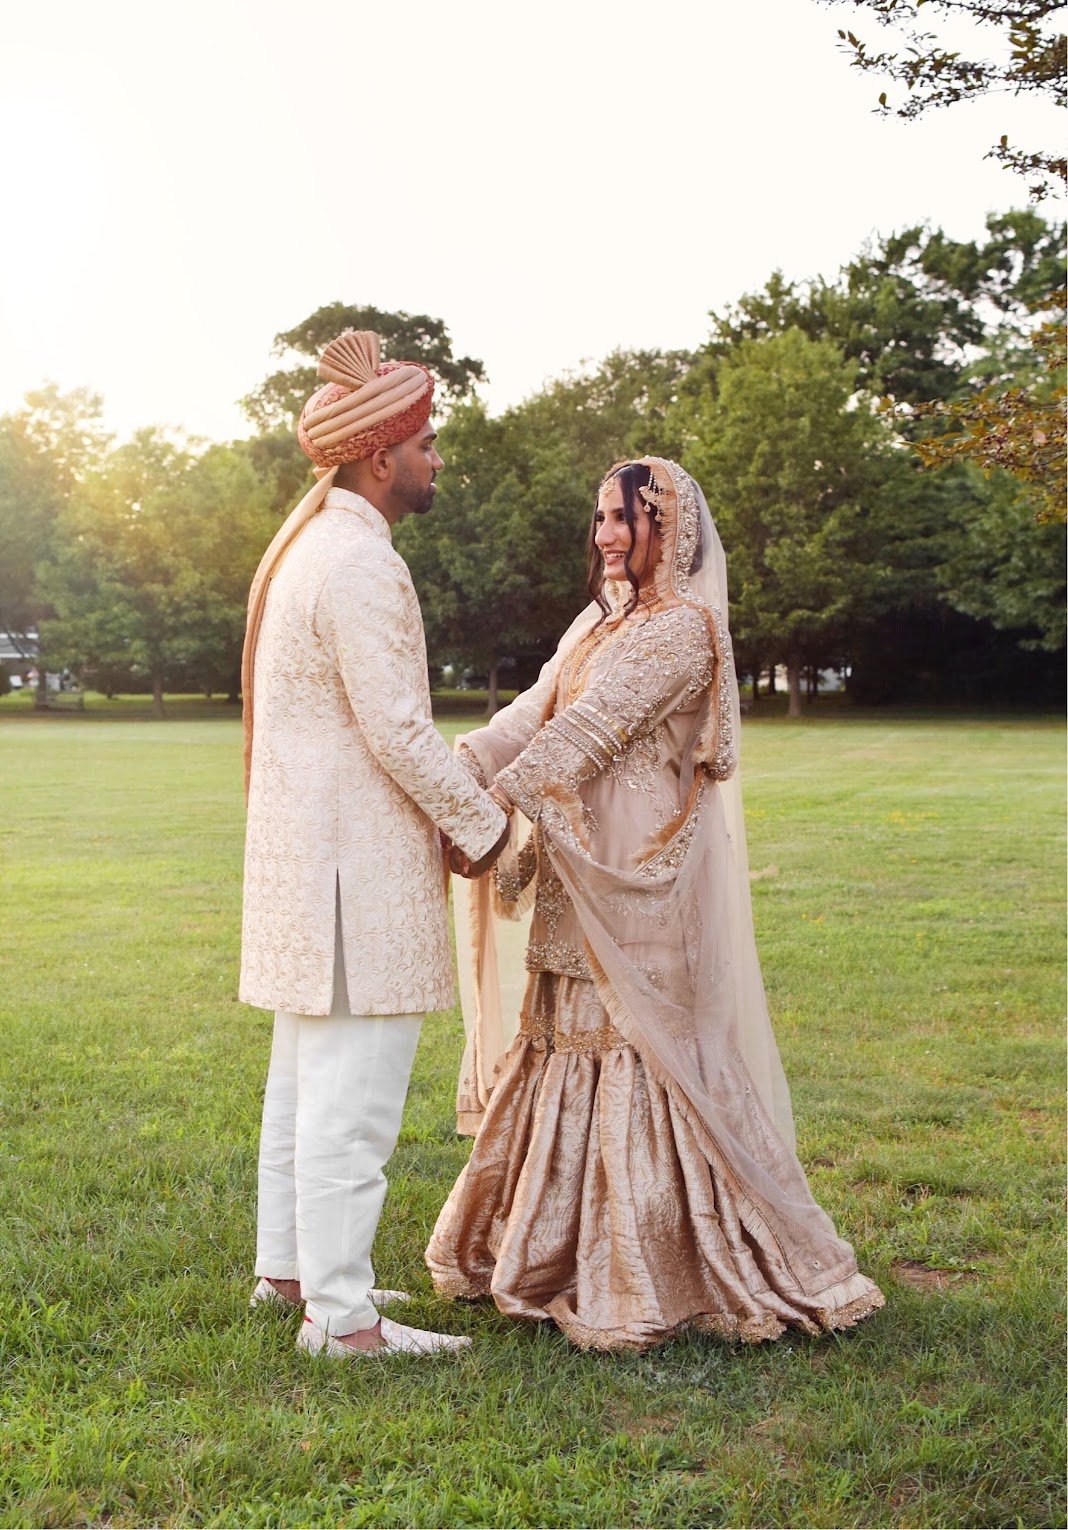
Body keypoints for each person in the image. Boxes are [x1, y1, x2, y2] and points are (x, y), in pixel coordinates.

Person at [427, 456, 885, 1352]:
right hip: (578, 864)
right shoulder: (603, 622)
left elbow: (588, 733)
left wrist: (489, 810)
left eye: (622, 518)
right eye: (599, 517)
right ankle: (553, 1254)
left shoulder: (683, 631)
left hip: (637, 874)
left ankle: (659, 1270)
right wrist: (459, 769)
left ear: (666, 529)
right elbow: (533, 712)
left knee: (643, 1047)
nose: (604, 535)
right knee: (565, 1036)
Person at [240, 329, 509, 1359]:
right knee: (348, 1101)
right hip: (353, 872)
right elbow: (396, 729)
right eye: (426, 445)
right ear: (380, 457)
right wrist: (484, 828)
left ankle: (290, 1274)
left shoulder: (311, 548)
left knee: (305, 1085)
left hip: (313, 867)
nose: (437, 460)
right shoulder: (358, 562)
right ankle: (343, 1321)